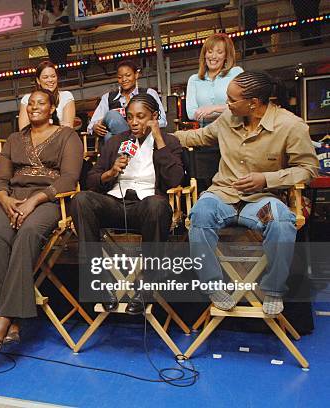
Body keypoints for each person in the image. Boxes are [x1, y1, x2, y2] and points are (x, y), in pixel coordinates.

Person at [175, 71, 318, 315]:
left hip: (261, 200)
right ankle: (212, 285)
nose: (226, 105)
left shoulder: (290, 126)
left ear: (253, 103)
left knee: (282, 220)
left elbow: (308, 169)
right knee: (200, 213)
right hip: (223, 195)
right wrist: (157, 136)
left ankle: (273, 289)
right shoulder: (228, 118)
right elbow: (198, 136)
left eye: (231, 100)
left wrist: (266, 179)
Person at [0, 89, 83, 352]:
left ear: (52, 109)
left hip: (50, 199)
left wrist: (35, 200)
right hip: (13, 198)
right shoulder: (15, 139)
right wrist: (4, 200)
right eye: (30, 104)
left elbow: (69, 178)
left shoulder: (67, 136)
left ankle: (4, 318)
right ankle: (12, 319)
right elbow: (1, 179)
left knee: (27, 233)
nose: (34, 107)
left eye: (41, 103)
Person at [72, 93, 183, 314]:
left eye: (141, 117)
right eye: (130, 117)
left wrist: (159, 140)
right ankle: (99, 281)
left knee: (157, 205)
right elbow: (91, 179)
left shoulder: (169, 142)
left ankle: (146, 286)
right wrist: (111, 172)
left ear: (154, 116)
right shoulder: (116, 142)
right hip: (116, 203)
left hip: (146, 207)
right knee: (81, 199)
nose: (133, 122)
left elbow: (175, 180)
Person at [88, 60, 167, 142]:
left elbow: (162, 121)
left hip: (144, 139)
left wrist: (142, 126)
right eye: (119, 77)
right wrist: (95, 127)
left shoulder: (149, 93)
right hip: (117, 142)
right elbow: (91, 125)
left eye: (128, 75)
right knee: (111, 122)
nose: (124, 79)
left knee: (110, 127)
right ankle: (130, 145)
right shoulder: (107, 98)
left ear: (136, 75)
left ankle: (130, 144)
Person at [185, 33, 243, 127]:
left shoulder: (236, 73)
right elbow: (191, 114)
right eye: (210, 51)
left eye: (219, 52)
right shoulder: (194, 80)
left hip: (233, 130)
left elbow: (242, 105)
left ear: (226, 56)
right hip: (206, 135)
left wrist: (215, 108)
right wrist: (226, 111)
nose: (213, 56)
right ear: (204, 54)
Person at [18, 60, 75, 130]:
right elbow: (23, 131)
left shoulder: (66, 96)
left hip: (60, 140)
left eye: (53, 76)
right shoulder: (27, 99)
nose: (50, 80)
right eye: (45, 77)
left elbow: (68, 128)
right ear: (38, 80)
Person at [42, 0, 74, 67]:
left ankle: (63, 75)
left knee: (63, 60)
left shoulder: (65, 12)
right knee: (54, 61)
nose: (55, 1)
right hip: (52, 39)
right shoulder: (47, 13)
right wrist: (55, 24)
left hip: (62, 39)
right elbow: (44, 26)